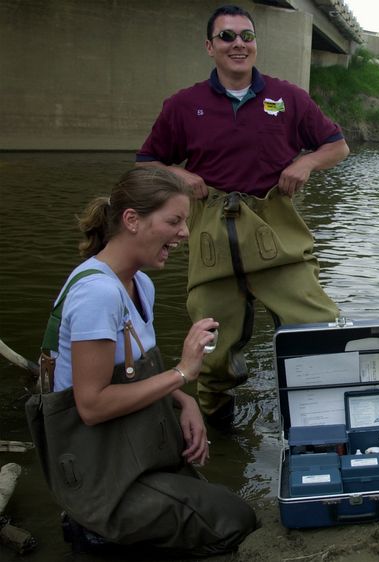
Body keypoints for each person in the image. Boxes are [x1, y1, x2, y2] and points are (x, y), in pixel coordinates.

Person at [136, 4, 350, 427]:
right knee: (211, 355)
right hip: (213, 243)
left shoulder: (288, 98)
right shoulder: (183, 105)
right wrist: (182, 174)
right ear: (210, 47)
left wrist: (306, 163)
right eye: (228, 37)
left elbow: (337, 146)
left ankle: (322, 423)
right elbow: (146, 163)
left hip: (277, 238)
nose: (239, 44)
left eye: (247, 36)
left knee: (318, 330)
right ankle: (216, 431)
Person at [30, 168, 257, 555]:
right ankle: (94, 530)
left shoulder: (139, 283)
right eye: (174, 221)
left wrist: (183, 401)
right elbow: (91, 405)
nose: (185, 233)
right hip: (99, 473)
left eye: (184, 221)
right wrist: (184, 373)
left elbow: (132, 378)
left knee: (222, 508)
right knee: (235, 521)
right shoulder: (98, 295)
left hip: (130, 457)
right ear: (132, 220)